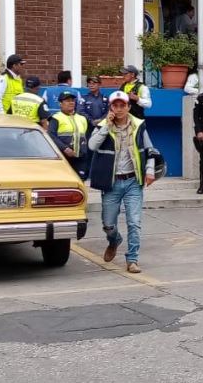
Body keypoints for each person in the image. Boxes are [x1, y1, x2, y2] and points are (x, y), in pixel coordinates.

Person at [89, 90, 156, 274]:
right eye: (115, 105)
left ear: (128, 107)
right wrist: (106, 127)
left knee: (134, 222)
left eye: (122, 105)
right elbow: (92, 145)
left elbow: (150, 150)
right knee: (108, 224)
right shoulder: (103, 125)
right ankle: (114, 240)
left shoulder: (138, 126)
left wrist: (149, 171)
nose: (119, 109)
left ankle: (132, 259)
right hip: (111, 184)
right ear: (110, 108)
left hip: (133, 181)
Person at [48, 91, 89, 179]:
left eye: (72, 100)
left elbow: (84, 137)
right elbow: (51, 135)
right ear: (60, 104)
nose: (71, 102)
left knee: (80, 183)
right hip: (64, 158)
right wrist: (65, 148)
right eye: (67, 100)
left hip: (80, 158)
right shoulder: (56, 118)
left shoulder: (82, 118)